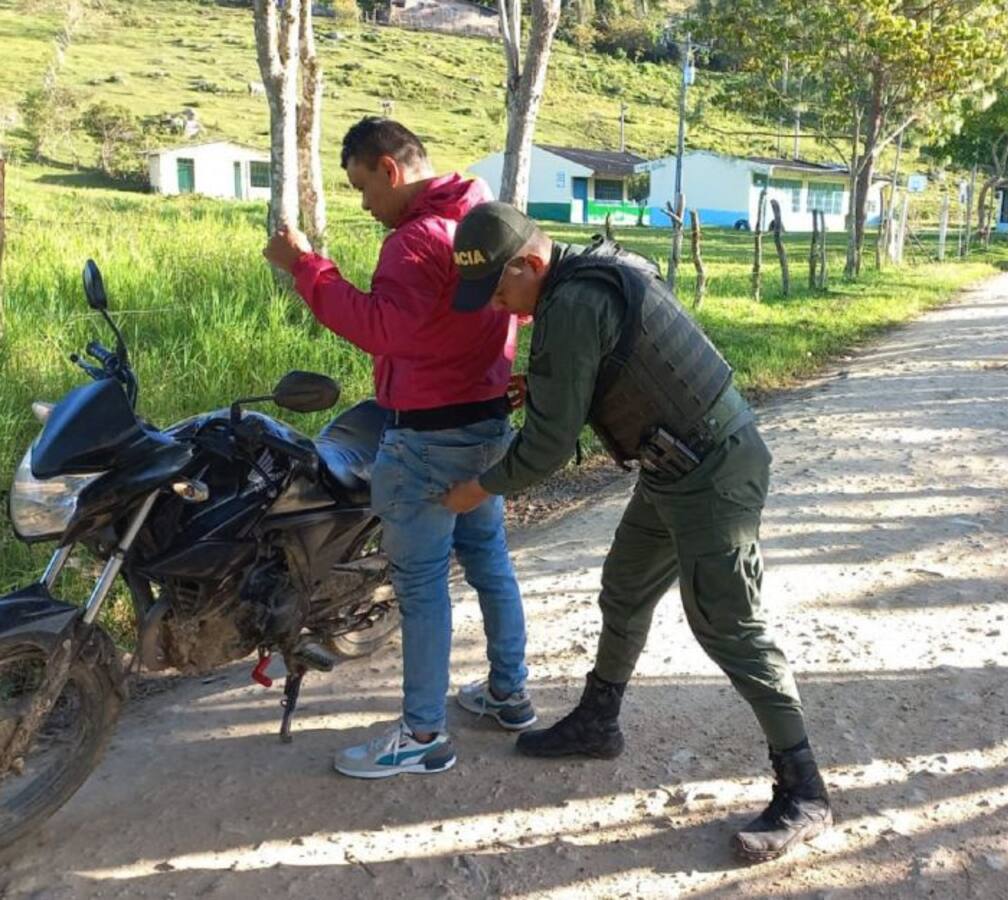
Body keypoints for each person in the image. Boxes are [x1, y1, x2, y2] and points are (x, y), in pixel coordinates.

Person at [442, 202, 833, 862]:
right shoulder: (590, 273)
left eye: (502, 290)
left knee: (729, 627)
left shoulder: (569, 305)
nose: (499, 307)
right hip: (675, 465)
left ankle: (806, 790)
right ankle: (599, 721)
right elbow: (612, 366)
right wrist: (541, 389)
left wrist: (473, 492)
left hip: (712, 474)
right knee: (624, 586)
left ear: (532, 263)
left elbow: (544, 451)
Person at [263, 119, 536, 778]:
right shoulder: (482, 221)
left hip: (427, 437)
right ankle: (508, 692)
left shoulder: (414, 242)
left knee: (418, 586)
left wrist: (305, 266)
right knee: (488, 560)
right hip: (487, 426)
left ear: (389, 170)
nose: (363, 204)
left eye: (361, 186)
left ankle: (423, 734)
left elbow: (382, 329)